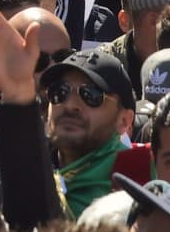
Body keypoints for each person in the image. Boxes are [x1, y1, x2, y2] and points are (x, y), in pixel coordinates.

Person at [41, 49, 136, 215]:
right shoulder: (23, 166)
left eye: (91, 94)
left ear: (124, 121)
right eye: (60, 91)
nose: (70, 105)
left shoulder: (138, 178)